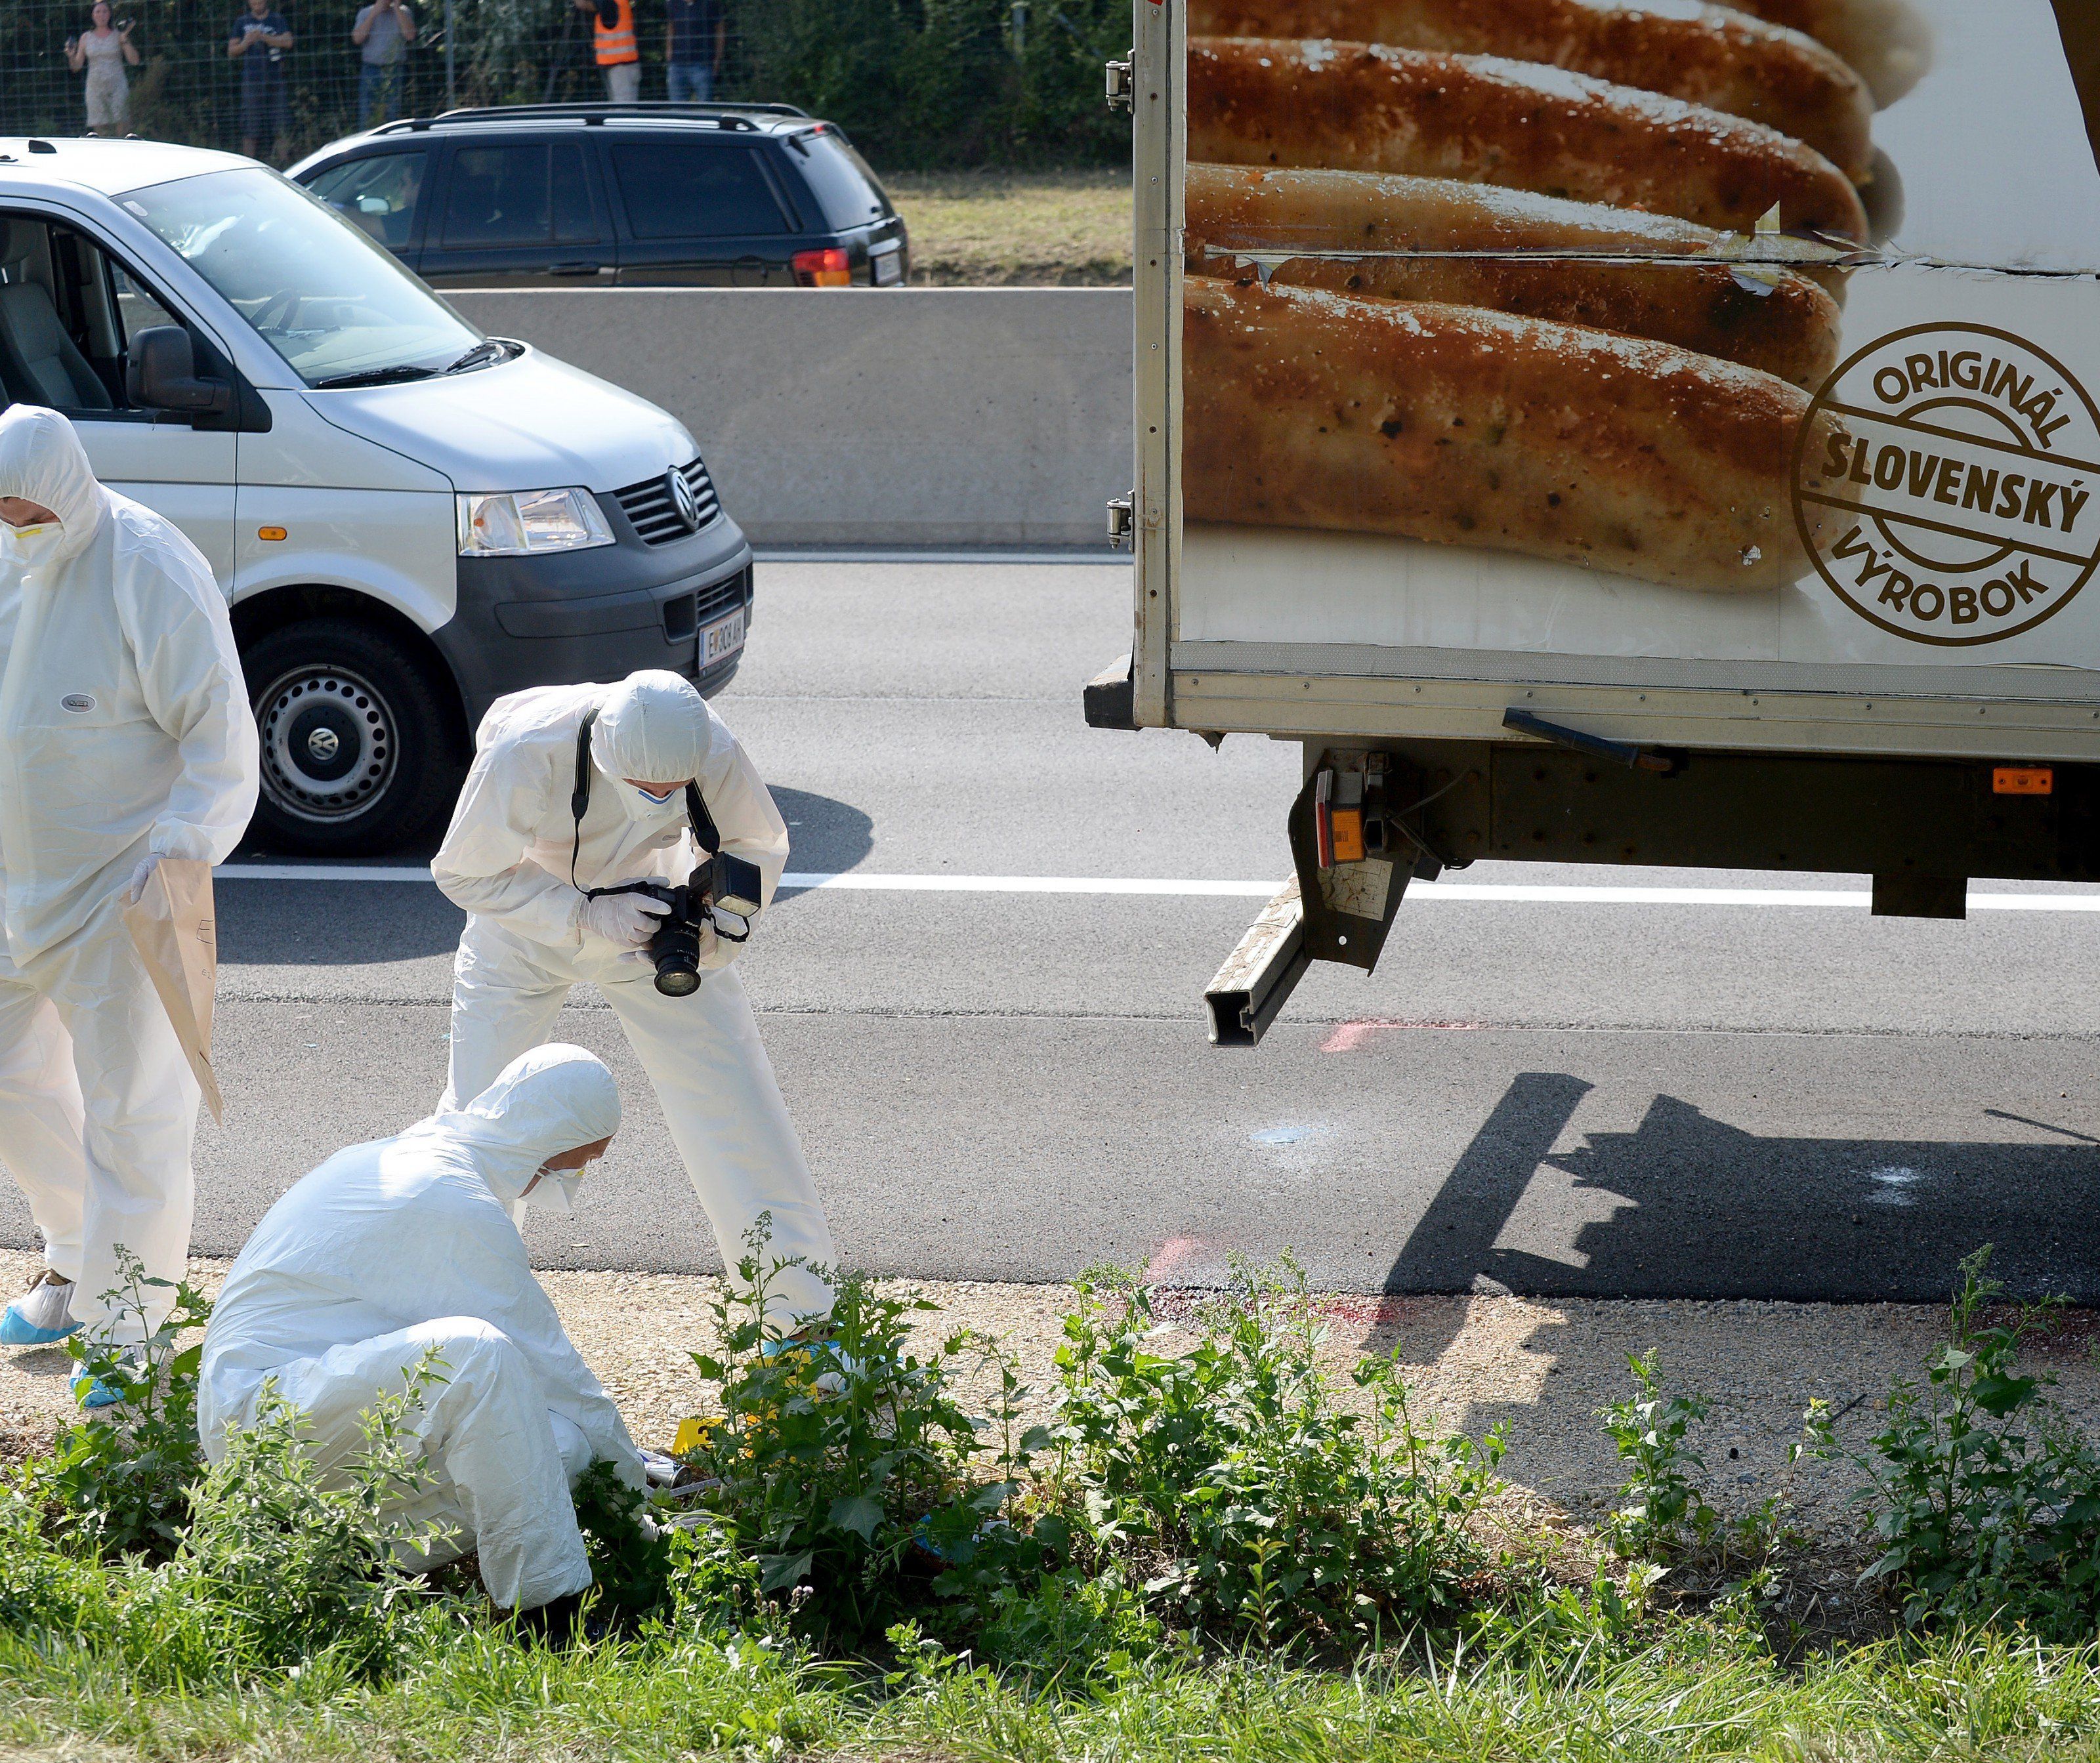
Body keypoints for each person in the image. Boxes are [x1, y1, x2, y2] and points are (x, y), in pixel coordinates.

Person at [431, 671, 835, 1331]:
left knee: (738, 1108)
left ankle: (800, 1333)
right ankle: (456, 1322)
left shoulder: (711, 748)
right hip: (524, 925)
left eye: (671, 789)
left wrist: (712, 937)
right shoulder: (529, 749)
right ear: (604, 758)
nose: (658, 798)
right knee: (479, 1118)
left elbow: (757, 846)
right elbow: (463, 869)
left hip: (652, 921)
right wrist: (581, 912)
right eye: (644, 789)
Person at [199, 1045, 642, 1625]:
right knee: (481, 1357)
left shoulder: (424, 1160)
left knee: (561, 1447)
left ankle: (352, 1555)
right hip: (261, 1416)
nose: (575, 1176)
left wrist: (622, 1469)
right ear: (550, 1137)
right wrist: (639, 1510)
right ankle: (546, 1613)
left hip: (309, 1406)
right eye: (582, 1158)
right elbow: (559, 1375)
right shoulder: (450, 1199)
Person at [0, 407, 259, 1370]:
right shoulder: (3, 548)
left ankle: (131, 1329)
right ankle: (73, 1259)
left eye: (28, 508)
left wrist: (179, 853)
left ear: (68, 488)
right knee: (12, 1085)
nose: (17, 522)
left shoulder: (146, 564)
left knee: (136, 1114)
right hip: (12, 878)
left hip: (125, 885)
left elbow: (220, 737)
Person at [227, 0, 293, 165]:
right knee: (250, 127)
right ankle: (247, 166)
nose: (257, 2)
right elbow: (231, 51)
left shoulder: (277, 19)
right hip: (252, 81)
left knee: (281, 125)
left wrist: (264, 37)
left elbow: (288, 42)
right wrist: (246, 42)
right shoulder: (241, 22)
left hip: (276, 79)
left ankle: (283, 166)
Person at [66, 4, 140, 138]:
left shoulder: (118, 35)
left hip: (117, 86)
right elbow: (76, 67)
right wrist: (71, 55)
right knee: (100, 132)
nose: (102, 15)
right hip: (95, 88)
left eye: (105, 12)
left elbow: (134, 61)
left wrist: (125, 40)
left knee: (122, 129)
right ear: (93, 15)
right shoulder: (86, 38)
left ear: (110, 14)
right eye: (98, 12)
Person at [351, 0, 415, 127]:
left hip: (394, 71)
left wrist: (397, 8)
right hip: (371, 70)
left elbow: (410, 36)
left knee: (393, 115)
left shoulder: (404, 12)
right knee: (367, 115)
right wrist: (375, 12)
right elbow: (357, 39)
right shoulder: (366, 13)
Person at [574, 0, 639, 104]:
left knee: (623, 111)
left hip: (621, 65)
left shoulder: (609, 2)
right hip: (621, 65)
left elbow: (582, 4)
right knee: (621, 109)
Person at [664, 0, 723, 103]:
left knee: (705, 108)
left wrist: (718, 58)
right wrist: (669, 50)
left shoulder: (710, 4)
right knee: (677, 110)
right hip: (677, 64)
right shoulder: (673, 3)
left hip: (703, 64)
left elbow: (720, 30)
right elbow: (671, 27)